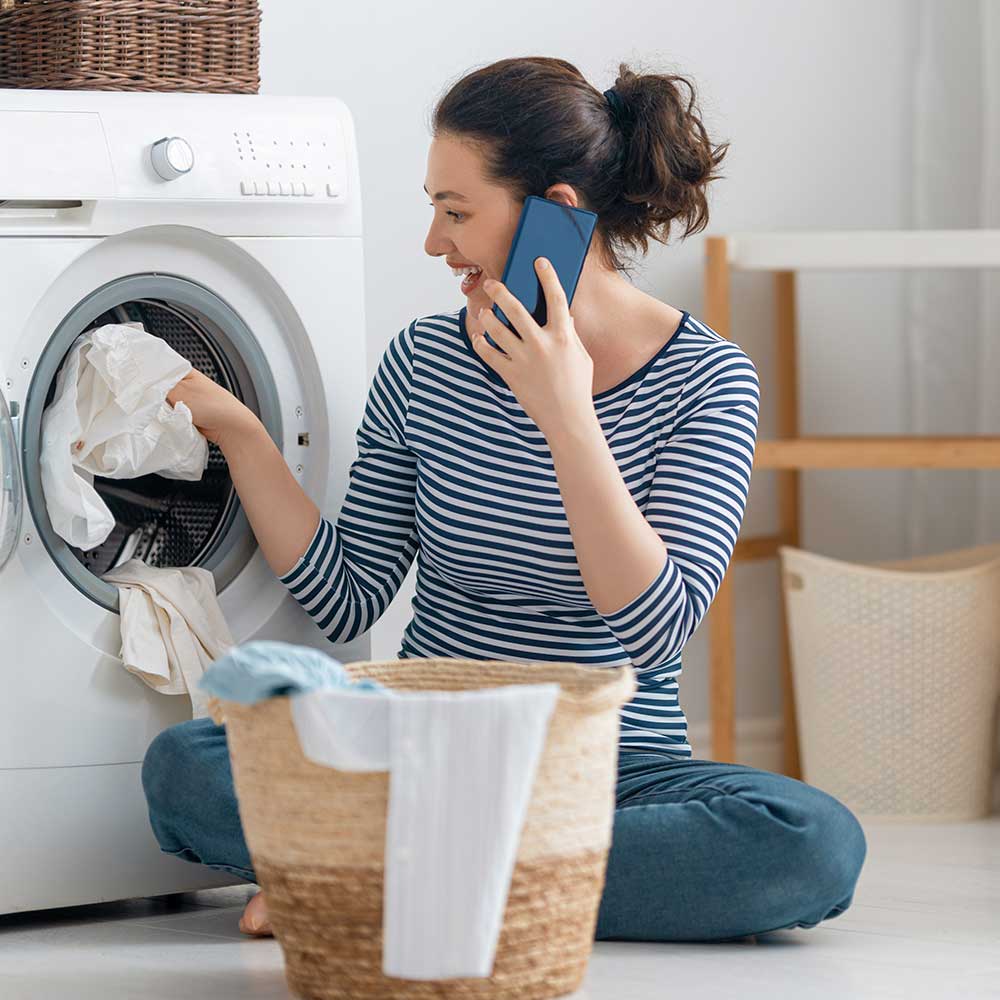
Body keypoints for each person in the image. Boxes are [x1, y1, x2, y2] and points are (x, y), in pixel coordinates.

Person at [143, 57, 867, 941]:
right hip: (419, 752)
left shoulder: (709, 379)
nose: (433, 242)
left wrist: (565, 413)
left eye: (456, 212)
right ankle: (485, 877)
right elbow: (349, 596)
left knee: (812, 843)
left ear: (555, 214)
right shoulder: (422, 362)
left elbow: (656, 626)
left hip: (611, 770)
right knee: (187, 765)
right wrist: (243, 436)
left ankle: (377, 871)